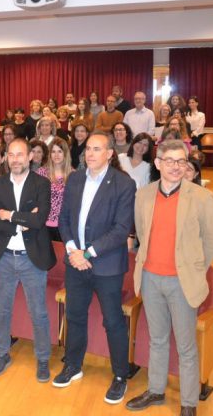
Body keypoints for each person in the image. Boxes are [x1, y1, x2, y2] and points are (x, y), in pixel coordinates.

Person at [126, 140, 213, 416]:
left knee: (186, 345)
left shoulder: (201, 197)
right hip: (150, 279)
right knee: (157, 339)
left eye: (181, 161)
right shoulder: (143, 195)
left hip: (182, 282)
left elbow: (212, 241)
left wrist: (193, 269)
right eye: (170, 161)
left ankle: (189, 403)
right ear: (158, 163)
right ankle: (156, 390)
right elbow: (142, 233)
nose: (176, 166)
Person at [55, 131, 136, 405]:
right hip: (75, 261)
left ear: (110, 153)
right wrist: (72, 250)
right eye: (88, 148)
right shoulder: (75, 178)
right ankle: (73, 365)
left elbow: (121, 229)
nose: (90, 153)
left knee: (112, 321)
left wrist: (87, 252)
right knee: (75, 315)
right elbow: (64, 219)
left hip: (106, 265)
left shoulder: (124, 184)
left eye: (97, 149)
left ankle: (120, 376)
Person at [0, 138, 55, 381]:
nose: (15, 159)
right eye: (11, 155)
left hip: (31, 259)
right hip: (4, 258)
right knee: (2, 311)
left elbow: (40, 219)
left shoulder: (41, 184)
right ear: (6, 157)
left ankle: (43, 359)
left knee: (38, 313)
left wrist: (9, 215)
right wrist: (23, 220)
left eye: (20, 154)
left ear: (30, 157)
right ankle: (2, 353)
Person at [37, 138, 72, 242]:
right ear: (49, 154)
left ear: (65, 153)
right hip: (43, 223)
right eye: (53, 151)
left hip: (64, 226)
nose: (56, 155)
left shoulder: (73, 175)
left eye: (60, 151)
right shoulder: (41, 173)